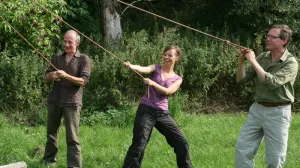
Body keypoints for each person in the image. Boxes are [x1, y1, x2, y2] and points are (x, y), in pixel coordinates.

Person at [235, 24, 298, 168]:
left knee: (275, 159)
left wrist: (253, 61)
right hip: (257, 109)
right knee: (242, 149)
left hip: (278, 112)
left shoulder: (291, 63)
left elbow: (272, 82)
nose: (267, 39)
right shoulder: (263, 57)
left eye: (272, 37)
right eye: (267, 36)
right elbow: (241, 79)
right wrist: (241, 62)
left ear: (284, 41)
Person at [122, 46, 193, 168]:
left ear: (177, 58)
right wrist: (131, 66)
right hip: (146, 111)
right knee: (139, 145)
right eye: (165, 54)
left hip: (162, 114)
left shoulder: (178, 79)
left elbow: (168, 91)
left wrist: (153, 83)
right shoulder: (156, 68)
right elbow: (143, 69)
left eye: (170, 55)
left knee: (182, 142)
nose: (166, 57)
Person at [42, 30, 91, 168]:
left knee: (72, 138)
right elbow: (45, 78)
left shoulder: (83, 59)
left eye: (70, 42)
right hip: (55, 101)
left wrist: (65, 76)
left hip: (72, 103)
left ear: (77, 43)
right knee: (51, 133)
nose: (67, 44)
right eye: (65, 41)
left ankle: (74, 166)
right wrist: (52, 75)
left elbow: (84, 82)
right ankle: (48, 161)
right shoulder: (56, 58)